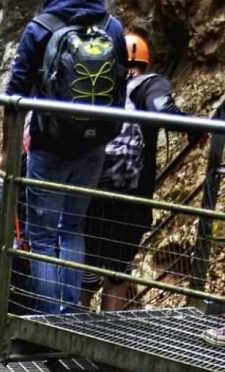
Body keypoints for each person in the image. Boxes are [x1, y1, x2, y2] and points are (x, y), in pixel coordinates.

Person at [4, 0, 127, 313]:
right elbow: (120, 90)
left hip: (49, 144)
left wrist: (8, 150)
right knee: (73, 228)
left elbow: (15, 91)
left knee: (42, 235)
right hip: (93, 146)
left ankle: (47, 317)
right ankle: (70, 310)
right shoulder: (112, 27)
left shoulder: (40, 28)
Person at [83, 33, 197, 310]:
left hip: (91, 189)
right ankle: (105, 337)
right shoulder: (150, 84)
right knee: (118, 271)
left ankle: (69, 333)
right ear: (145, 63)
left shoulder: (99, 84)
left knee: (85, 269)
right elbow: (164, 109)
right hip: (132, 195)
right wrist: (197, 128)